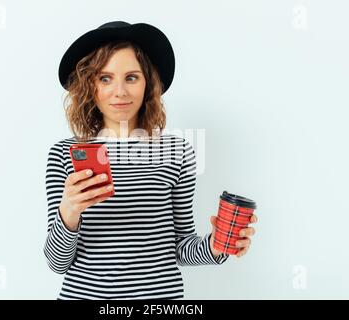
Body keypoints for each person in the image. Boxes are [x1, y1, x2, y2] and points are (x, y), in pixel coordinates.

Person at [44, 21, 258, 300]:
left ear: (148, 83)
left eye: (131, 77)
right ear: (90, 86)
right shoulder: (64, 154)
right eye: (105, 78)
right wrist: (68, 214)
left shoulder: (177, 151)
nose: (119, 91)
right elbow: (57, 263)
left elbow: (181, 246)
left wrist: (217, 246)